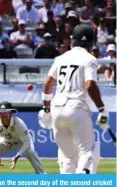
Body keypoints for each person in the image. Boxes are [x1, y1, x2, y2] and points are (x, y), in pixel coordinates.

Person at [38, 24, 110, 174]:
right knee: (88, 152)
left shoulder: (60, 58)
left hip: (57, 111)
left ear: (72, 41)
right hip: (77, 109)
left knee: (67, 159)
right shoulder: (90, 59)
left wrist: (46, 109)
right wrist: (102, 110)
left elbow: (47, 85)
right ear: (91, 43)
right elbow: (90, 86)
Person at [0, 101, 45, 174]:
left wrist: (17, 156)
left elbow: (27, 142)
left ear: (10, 113)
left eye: (5, 112)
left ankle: (42, 175)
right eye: (0, 112)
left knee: (30, 152)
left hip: (22, 142)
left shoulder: (19, 124)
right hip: (6, 141)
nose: (3, 114)